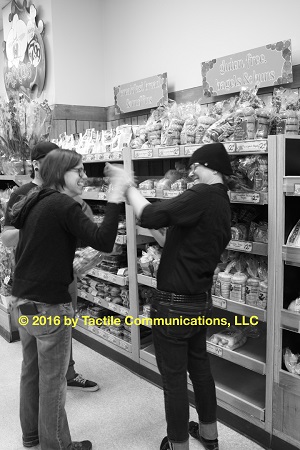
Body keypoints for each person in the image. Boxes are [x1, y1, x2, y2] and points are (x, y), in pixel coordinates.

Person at [9, 148, 131, 450]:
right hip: (50, 306)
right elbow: (104, 240)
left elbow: (42, 244)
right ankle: (58, 447)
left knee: (34, 371)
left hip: (24, 302)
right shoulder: (63, 204)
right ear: (60, 173)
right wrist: (116, 194)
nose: (84, 176)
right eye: (78, 170)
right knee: (53, 384)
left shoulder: (34, 201)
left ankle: (37, 437)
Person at [123, 142, 233, 450]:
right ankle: (209, 437)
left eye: (196, 166)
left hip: (173, 306)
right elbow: (180, 240)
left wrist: (128, 188)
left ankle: (177, 444)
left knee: (173, 380)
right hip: (198, 301)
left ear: (210, 166)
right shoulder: (222, 203)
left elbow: (150, 214)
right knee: (200, 370)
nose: (193, 171)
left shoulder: (202, 194)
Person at [1, 141, 99, 392]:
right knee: (33, 352)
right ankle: (44, 391)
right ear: (35, 164)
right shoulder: (21, 194)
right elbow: (7, 236)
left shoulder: (65, 194)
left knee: (64, 328)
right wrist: (38, 227)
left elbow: (87, 231)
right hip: (31, 280)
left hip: (64, 275)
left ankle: (68, 372)